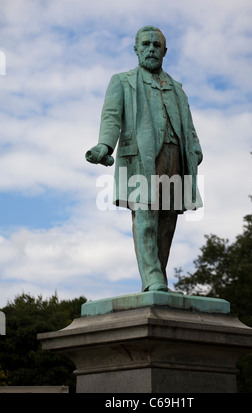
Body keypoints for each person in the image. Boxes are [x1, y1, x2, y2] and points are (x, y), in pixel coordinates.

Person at [86, 26, 203, 292]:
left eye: (156, 45)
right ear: (136, 49)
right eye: (146, 44)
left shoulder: (177, 88)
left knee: (168, 221)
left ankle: (158, 277)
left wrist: (195, 148)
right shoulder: (123, 81)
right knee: (146, 214)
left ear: (165, 51)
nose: (151, 49)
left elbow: (188, 125)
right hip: (140, 157)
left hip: (175, 157)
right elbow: (111, 116)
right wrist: (105, 145)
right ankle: (152, 278)